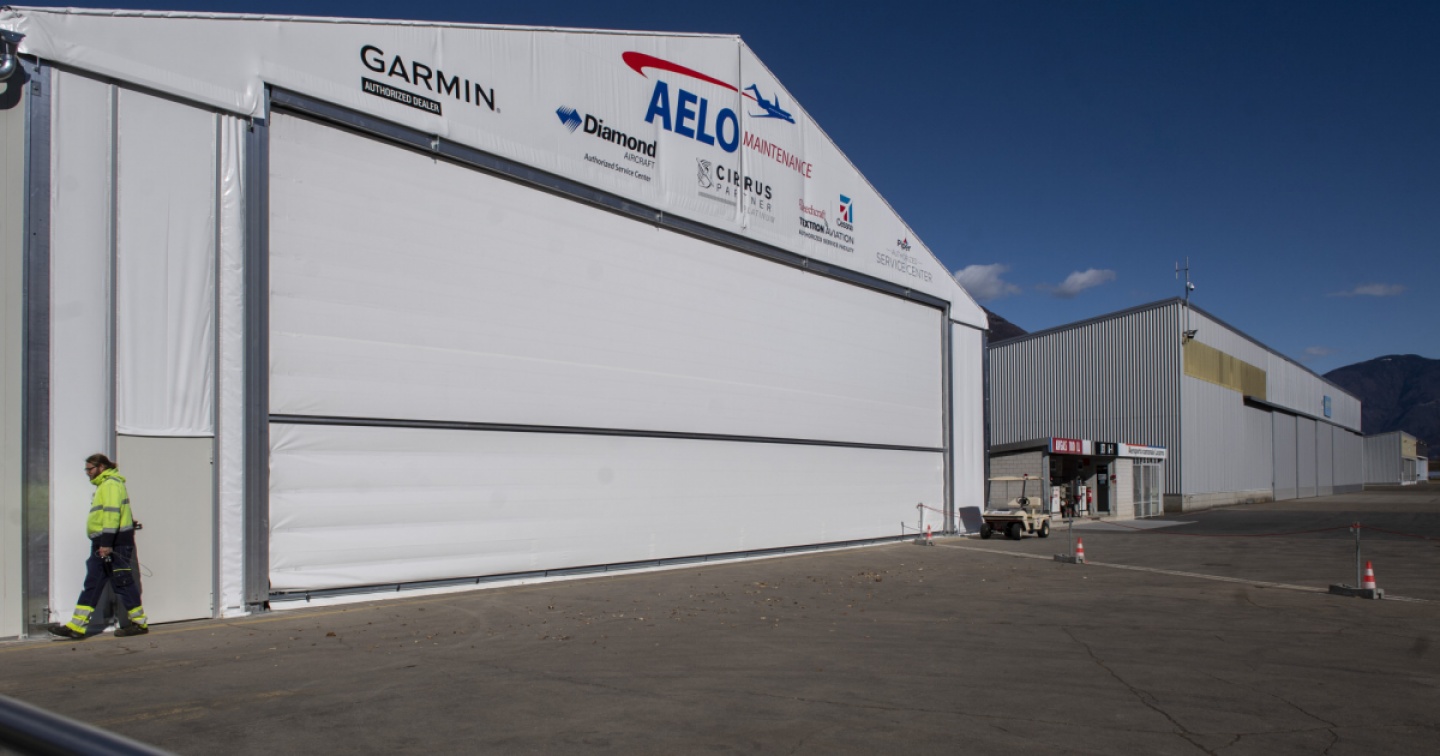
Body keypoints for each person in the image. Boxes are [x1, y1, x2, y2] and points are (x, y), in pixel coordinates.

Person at [49, 454, 149, 639]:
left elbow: (111, 515)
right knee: (93, 583)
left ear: (101, 467)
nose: (87, 473)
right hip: (103, 542)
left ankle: (139, 623)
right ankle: (76, 626)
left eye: (90, 469)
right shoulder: (105, 485)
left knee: (122, 581)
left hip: (113, 543)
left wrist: (106, 544)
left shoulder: (110, 484)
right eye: (86, 469)